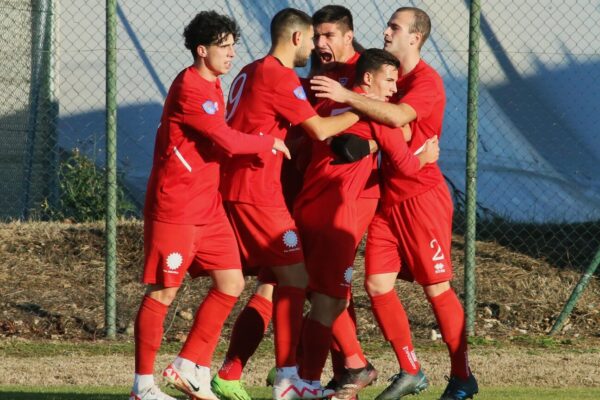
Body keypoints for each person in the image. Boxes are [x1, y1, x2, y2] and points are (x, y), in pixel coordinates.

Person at [311, 7, 479, 400]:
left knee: (436, 287)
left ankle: (461, 376)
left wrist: (347, 95)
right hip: (389, 197)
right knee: (376, 283)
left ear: (415, 37)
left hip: (422, 197)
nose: (386, 32)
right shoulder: (392, 79)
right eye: (387, 25)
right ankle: (410, 369)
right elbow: (390, 128)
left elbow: (400, 117)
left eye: (395, 27)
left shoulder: (426, 81)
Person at [129, 11, 291, 400]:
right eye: (224, 46)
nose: (232, 53)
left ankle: (188, 365)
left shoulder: (215, 84)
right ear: (202, 50)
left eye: (234, 45)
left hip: (208, 205)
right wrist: (266, 142)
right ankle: (143, 386)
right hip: (177, 206)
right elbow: (227, 140)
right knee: (162, 292)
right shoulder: (191, 87)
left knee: (232, 282)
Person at [211, 8, 360, 400]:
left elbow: (276, 132)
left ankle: (224, 371)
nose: (317, 46)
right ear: (297, 38)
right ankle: (292, 378)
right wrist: (362, 104)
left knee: (263, 284)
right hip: (260, 191)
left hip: (247, 186)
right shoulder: (280, 77)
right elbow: (320, 130)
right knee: (302, 282)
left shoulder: (249, 70)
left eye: (328, 37)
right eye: (315, 37)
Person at [295, 47, 439, 400]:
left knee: (313, 293)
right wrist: (423, 157)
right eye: (389, 81)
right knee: (330, 300)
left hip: (306, 206)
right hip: (338, 215)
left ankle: (333, 370)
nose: (393, 90)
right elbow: (404, 167)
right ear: (369, 78)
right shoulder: (377, 116)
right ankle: (310, 382)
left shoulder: (329, 104)